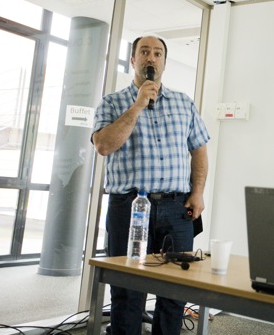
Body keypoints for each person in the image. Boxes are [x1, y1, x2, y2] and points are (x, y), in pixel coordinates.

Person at [91, 35, 210, 335]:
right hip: (129, 209)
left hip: (176, 208)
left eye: (158, 53)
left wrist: (197, 192)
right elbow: (104, 146)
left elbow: (199, 150)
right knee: (127, 290)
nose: (151, 57)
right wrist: (138, 106)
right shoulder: (111, 103)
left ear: (164, 63)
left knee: (175, 289)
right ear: (133, 60)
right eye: (144, 52)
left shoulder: (184, 103)